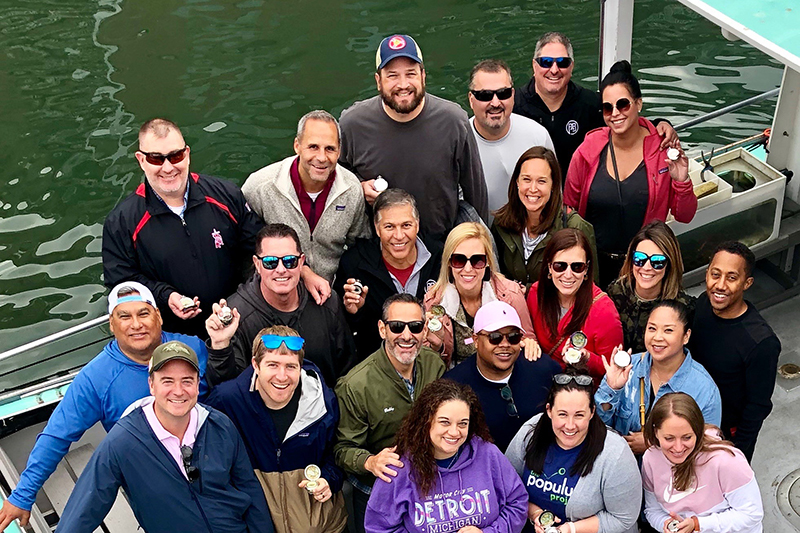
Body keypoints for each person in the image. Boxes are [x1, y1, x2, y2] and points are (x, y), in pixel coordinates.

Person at [0, 281, 209, 531]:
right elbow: (56, 436)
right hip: (151, 483)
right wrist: (23, 495)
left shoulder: (195, 349)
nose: (136, 324)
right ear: (111, 324)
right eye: (124, 316)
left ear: (159, 317)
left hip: (210, 465)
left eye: (143, 313)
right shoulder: (95, 378)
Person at [55, 341, 273, 533]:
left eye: (187, 381)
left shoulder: (220, 425)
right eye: (167, 381)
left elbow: (249, 489)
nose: (178, 391)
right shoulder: (122, 442)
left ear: (198, 384)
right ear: (151, 384)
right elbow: (86, 505)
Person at [102, 118, 265, 337]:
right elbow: (121, 283)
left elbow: (261, 247)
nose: (168, 167)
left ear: (187, 154)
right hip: (174, 338)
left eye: (175, 156)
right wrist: (165, 296)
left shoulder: (226, 195)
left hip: (238, 324)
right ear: (141, 160)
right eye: (156, 159)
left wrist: (244, 299)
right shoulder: (121, 222)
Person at [339, 34, 488, 245]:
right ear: (378, 81)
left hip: (441, 246)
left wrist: (477, 246)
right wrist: (358, 187)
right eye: (392, 76)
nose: (403, 84)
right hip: (377, 250)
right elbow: (336, 182)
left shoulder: (454, 121)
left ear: (423, 76)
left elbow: (475, 192)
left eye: (411, 74)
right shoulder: (352, 124)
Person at [564, 61, 696, 288]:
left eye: (623, 104)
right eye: (607, 108)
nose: (615, 113)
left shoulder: (663, 150)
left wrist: (681, 181)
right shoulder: (588, 149)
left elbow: (684, 215)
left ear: (638, 104)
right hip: (592, 265)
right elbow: (568, 208)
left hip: (642, 268)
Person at [206, 325, 347, 533]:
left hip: (324, 525)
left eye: (291, 366)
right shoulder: (228, 401)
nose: (282, 376)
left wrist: (328, 480)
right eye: (272, 365)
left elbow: (337, 454)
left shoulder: (323, 403)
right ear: (255, 364)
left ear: (301, 367)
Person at [334, 293, 446, 533]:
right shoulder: (355, 384)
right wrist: (370, 461)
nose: (406, 336)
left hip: (429, 483)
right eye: (397, 327)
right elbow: (342, 449)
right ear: (382, 329)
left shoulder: (435, 364)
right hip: (377, 488)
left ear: (425, 330)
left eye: (415, 327)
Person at [365, 379, 528, 533]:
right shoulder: (398, 468)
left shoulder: (487, 454)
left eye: (463, 423)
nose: (454, 432)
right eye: (445, 422)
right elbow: (378, 527)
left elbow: (517, 503)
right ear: (426, 421)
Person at [205, 223, 355, 388]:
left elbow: (347, 372)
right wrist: (220, 347)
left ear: (301, 262)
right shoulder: (237, 313)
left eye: (290, 261)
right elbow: (225, 389)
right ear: (257, 264)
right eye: (270, 262)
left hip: (322, 409)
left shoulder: (326, 301)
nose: (281, 269)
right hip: (260, 411)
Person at [513, 32, 677, 176]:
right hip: (527, 197)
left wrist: (660, 124)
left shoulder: (590, 103)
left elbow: (624, 120)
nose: (554, 70)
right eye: (546, 62)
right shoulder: (514, 105)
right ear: (534, 65)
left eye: (562, 62)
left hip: (574, 201)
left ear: (571, 66)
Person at [506, 366, 642, 533]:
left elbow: (623, 518)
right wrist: (535, 513)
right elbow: (506, 489)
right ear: (549, 411)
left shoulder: (615, 453)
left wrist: (570, 529)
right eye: (562, 414)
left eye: (579, 415)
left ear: (592, 412)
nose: (570, 426)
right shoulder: (530, 431)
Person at [242, 110, 371, 282]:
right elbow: (244, 247)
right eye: (313, 147)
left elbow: (360, 245)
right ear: (297, 146)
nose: (322, 157)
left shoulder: (351, 190)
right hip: (274, 291)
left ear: (339, 151)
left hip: (330, 292)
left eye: (330, 149)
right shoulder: (259, 187)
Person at [689, 241, 781, 462]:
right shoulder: (702, 305)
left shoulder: (761, 342)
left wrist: (735, 450)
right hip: (690, 420)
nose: (720, 285)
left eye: (731, 278)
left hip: (724, 436)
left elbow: (758, 405)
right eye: (715, 274)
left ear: (746, 283)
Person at [596, 300, 722, 456]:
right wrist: (612, 388)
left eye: (668, 330)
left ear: (686, 336)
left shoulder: (704, 388)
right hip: (621, 469)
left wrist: (654, 443)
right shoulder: (628, 368)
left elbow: (709, 447)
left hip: (670, 476)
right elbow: (598, 426)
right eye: (652, 329)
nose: (657, 337)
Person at [335, 189, 441, 359]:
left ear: (417, 224)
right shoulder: (355, 263)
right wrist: (354, 311)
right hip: (378, 366)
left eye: (406, 225)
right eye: (389, 227)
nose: (399, 236)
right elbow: (346, 330)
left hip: (431, 359)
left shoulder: (440, 258)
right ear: (377, 229)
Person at [444, 300, 561, 452]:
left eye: (513, 337)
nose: (505, 344)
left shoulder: (542, 368)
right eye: (495, 337)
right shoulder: (454, 386)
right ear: (476, 340)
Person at [642, 393, 763, 533]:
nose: (678, 448)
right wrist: (667, 525)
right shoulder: (650, 459)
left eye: (687, 437)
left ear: (698, 431)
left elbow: (751, 514)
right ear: (656, 432)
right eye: (669, 438)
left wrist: (698, 524)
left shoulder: (727, 461)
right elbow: (652, 510)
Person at [424, 222, 534, 367]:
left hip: (500, 372)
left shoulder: (511, 295)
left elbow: (528, 340)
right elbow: (427, 361)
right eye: (459, 260)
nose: (468, 269)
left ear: (488, 262)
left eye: (477, 260)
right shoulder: (434, 300)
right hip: (455, 377)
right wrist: (437, 347)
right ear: (449, 263)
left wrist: (527, 344)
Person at [527, 228, 622, 383]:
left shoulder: (604, 311)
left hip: (583, 392)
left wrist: (586, 357)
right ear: (549, 267)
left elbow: (613, 369)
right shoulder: (536, 294)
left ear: (587, 269)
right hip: (543, 385)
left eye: (577, 267)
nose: (568, 274)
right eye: (560, 266)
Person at [492, 146, 597, 286]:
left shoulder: (574, 227)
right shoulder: (502, 223)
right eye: (526, 179)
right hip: (511, 306)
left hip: (556, 307)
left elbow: (590, 288)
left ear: (553, 185)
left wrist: (528, 291)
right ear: (517, 182)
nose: (533, 189)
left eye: (541, 181)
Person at [467, 59, 554, 215]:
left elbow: (555, 196)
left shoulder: (538, 135)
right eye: (485, 95)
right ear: (471, 99)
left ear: (513, 95)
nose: (495, 103)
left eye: (503, 94)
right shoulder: (458, 141)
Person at [607, 221, 695, 354]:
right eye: (639, 258)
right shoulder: (615, 292)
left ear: (669, 264)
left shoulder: (683, 307)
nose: (647, 267)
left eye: (657, 261)